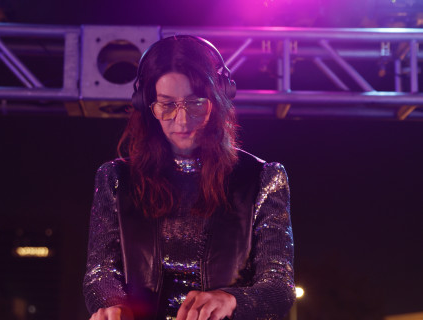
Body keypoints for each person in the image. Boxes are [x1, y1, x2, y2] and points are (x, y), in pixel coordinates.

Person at [83, 35, 295, 320]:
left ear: (217, 99)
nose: (182, 120)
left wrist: (231, 300)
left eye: (196, 103)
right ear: (147, 104)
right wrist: (114, 305)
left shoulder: (262, 178)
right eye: (167, 105)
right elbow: (101, 272)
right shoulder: (116, 178)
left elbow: (279, 286)